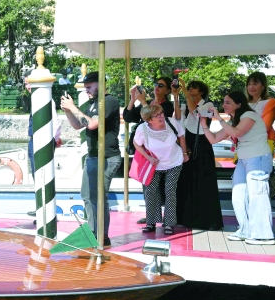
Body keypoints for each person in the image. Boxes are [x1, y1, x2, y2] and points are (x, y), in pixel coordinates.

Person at [200, 92, 275, 245]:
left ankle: (264, 235)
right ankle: (246, 229)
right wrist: (203, 124)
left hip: (258, 158)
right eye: (224, 102)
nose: (224, 105)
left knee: (257, 195)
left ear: (239, 104)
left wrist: (219, 118)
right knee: (239, 195)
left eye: (228, 102)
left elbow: (236, 133)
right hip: (244, 159)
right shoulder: (234, 121)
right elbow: (213, 140)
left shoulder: (249, 115)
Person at [60, 71, 122, 248]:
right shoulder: (92, 103)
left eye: (89, 86)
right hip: (93, 155)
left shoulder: (108, 101)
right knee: (87, 195)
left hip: (107, 156)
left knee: (98, 197)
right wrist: (67, 110)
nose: (86, 90)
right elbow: (78, 124)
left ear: (100, 84)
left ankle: (100, 235)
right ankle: (94, 232)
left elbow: (93, 124)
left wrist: (73, 107)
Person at [176, 80, 224, 230]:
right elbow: (178, 118)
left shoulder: (208, 105)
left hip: (202, 144)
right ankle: (184, 218)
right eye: (188, 87)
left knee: (203, 182)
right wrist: (176, 96)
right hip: (187, 142)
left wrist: (184, 91)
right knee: (186, 181)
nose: (190, 89)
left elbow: (194, 112)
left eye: (193, 87)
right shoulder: (186, 103)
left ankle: (207, 220)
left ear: (201, 91)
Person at [133, 104, 188, 235]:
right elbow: (136, 143)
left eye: (161, 113)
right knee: (151, 192)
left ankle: (169, 223)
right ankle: (151, 222)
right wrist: (147, 157)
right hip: (154, 164)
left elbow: (181, 137)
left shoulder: (171, 122)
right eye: (157, 115)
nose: (161, 116)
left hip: (174, 162)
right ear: (149, 119)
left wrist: (185, 154)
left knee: (170, 191)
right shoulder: (142, 129)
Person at [247, 71, 275, 150]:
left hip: (263, 143)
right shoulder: (243, 103)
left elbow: (265, 127)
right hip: (244, 144)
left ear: (263, 86)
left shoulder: (270, 102)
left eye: (255, 84)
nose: (251, 87)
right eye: (249, 84)